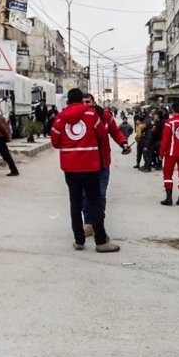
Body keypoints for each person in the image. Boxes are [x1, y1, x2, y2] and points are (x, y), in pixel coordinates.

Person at [50, 88, 119, 252]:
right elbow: (102, 135)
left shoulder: (60, 118)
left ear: (67, 101)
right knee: (95, 202)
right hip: (90, 166)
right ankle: (101, 242)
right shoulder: (90, 114)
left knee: (75, 204)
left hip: (70, 168)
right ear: (82, 100)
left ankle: (79, 241)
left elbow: (55, 142)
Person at [81, 93, 131, 237]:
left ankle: (98, 225)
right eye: (83, 102)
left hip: (102, 164)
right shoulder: (78, 118)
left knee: (100, 196)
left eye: (88, 102)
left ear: (93, 102)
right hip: (85, 164)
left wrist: (124, 143)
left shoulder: (105, 116)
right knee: (86, 196)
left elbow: (115, 132)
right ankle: (88, 224)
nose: (86, 105)